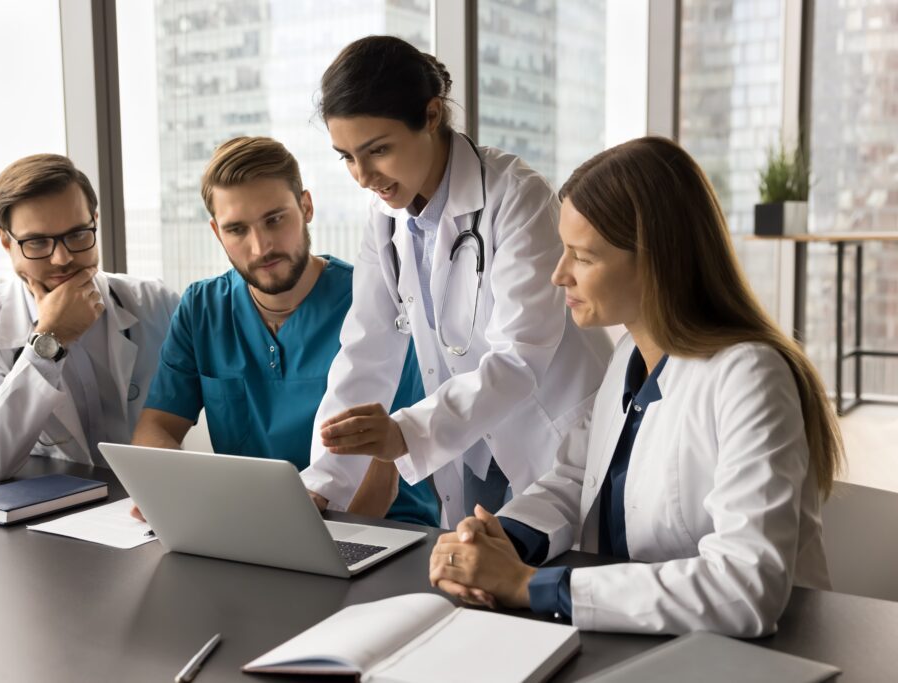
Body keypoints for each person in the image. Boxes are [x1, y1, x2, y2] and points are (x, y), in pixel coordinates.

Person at [428, 137, 846, 637]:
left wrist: (532, 587)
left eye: (582, 256)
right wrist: (502, 539)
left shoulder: (749, 378)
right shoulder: (629, 355)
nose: (559, 275)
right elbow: (575, 479)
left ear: (655, 261)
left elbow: (745, 586)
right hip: (643, 643)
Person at [301, 35, 613, 529]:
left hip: (552, 441)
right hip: (468, 452)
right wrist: (321, 483)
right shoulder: (385, 219)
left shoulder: (517, 197)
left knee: (547, 587)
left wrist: (404, 432)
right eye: (347, 156)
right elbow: (365, 352)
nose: (363, 176)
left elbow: (518, 358)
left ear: (430, 115)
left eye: (377, 150)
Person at [132, 136, 438, 526]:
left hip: (382, 528)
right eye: (237, 230)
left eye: (274, 219)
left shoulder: (377, 302)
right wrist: (165, 487)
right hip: (254, 532)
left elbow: (387, 470)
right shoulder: (202, 308)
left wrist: (314, 545)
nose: (261, 247)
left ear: (306, 207)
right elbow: (157, 425)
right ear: (216, 232)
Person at [0, 154, 179, 481]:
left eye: (78, 234)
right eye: (38, 242)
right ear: (5, 242)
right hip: (45, 522)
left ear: (95, 220)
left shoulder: (155, 303)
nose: (62, 258)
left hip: (147, 507)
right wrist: (51, 340)